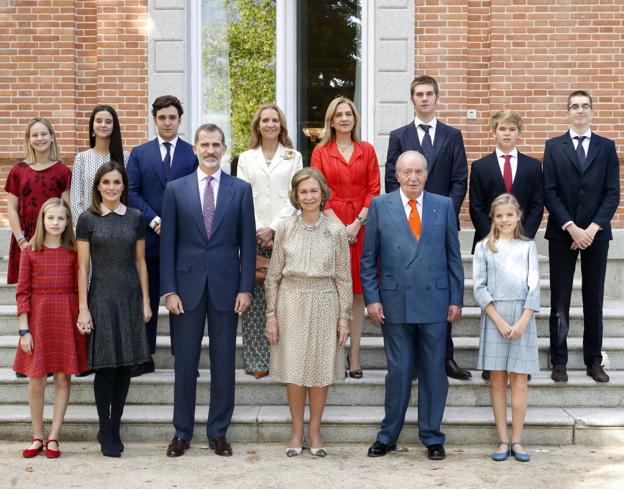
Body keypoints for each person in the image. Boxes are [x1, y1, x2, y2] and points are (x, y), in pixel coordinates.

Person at [160, 123, 255, 458]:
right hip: (184, 291)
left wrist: (246, 288)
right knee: (185, 362)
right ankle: (182, 432)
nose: (211, 150)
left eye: (216, 144)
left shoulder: (241, 190)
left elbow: (247, 242)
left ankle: (218, 432)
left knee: (224, 361)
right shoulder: (175, 189)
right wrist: (168, 290)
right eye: (205, 144)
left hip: (227, 289)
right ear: (195, 149)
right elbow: (168, 244)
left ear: (225, 148)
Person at [361, 150, 463, 460]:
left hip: (435, 299)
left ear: (427, 174)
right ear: (397, 175)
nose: (413, 177)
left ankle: (432, 436)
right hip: (394, 303)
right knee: (399, 371)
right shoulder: (380, 205)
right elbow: (368, 260)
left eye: (419, 171)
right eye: (407, 172)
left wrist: (456, 298)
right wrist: (373, 298)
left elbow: (452, 256)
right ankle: (388, 435)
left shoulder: (443, 205)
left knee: (434, 371)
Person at [384, 75, 469, 380]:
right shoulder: (399, 135)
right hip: (407, 227)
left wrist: (444, 214)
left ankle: (445, 358)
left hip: (441, 226)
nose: (424, 98)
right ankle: (415, 362)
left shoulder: (452, 135)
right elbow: (391, 180)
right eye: (419, 94)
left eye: (429, 94)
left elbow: (460, 178)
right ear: (412, 99)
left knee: (442, 288)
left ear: (436, 98)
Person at [265, 167, 352, 457]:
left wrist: (344, 318)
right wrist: (271, 316)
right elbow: (273, 275)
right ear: (296, 196)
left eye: (314, 190)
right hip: (291, 301)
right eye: (303, 192)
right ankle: (296, 431)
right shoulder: (286, 228)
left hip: (325, 301)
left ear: (323, 193)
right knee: (294, 370)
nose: (309, 196)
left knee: (319, 369)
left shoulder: (336, 229)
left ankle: (314, 430)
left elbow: (343, 277)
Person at [76, 161, 152, 458]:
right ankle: (104, 426)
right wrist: (83, 308)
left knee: (124, 367)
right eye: (106, 182)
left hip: (130, 296)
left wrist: (146, 300)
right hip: (101, 298)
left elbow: (140, 262)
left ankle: (115, 425)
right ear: (98, 186)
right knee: (106, 366)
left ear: (124, 186)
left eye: (116, 182)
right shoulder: (87, 219)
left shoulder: (135, 217)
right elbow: (83, 267)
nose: (111, 187)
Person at [543, 90, 620, 383]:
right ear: (567, 111)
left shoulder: (606, 146)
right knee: (560, 299)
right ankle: (559, 360)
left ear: (591, 111)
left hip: (596, 235)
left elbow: (612, 193)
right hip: (563, 234)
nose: (580, 111)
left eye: (585, 106)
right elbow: (549, 191)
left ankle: (593, 360)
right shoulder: (553, 146)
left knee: (594, 300)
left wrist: (591, 229)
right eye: (574, 106)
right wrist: (571, 226)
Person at [469, 110, 544, 381]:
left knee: (520, 300)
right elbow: (476, 205)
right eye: (502, 128)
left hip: (520, 245)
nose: (507, 133)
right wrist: (491, 237)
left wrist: (524, 236)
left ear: (518, 132)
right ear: (494, 132)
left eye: (512, 129)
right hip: (492, 246)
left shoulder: (533, 166)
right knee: (492, 303)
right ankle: (493, 363)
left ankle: (520, 363)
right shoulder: (480, 166)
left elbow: (537, 204)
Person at [126, 95, 198, 374]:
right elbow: (131, 192)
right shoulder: (140, 153)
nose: (167, 122)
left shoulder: (192, 153)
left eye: (172, 117)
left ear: (180, 120)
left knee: (183, 299)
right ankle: (144, 355)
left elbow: (197, 189)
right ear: (154, 120)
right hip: (149, 237)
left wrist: (176, 222)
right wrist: (156, 220)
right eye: (162, 117)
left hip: (183, 239)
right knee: (148, 293)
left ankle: (186, 358)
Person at [311, 97, 380, 379]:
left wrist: (356, 224)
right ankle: (333, 352)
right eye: (338, 114)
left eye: (348, 113)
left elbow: (374, 189)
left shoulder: (367, 150)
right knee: (332, 290)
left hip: (362, 225)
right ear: (331, 120)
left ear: (355, 118)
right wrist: (340, 225)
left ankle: (354, 355)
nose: (343, 118)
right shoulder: (320, 152)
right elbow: (317, 188)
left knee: (356, 294)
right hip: (330, 224)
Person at [14, 198, 88, 459]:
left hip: (66, 314)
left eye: (61, 218)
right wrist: (24, 329)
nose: (56, 223)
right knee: (36, 380)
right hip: (38, 318)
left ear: (68, 221)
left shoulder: (73, 250)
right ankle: (37, 435)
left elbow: (81, 286)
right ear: (42, 220)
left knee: (62, 378)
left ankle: (54, 436)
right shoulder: (30, 251)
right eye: (51, 218)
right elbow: (22, 292)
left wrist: (82, 313)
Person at [237, 103, 302, 379]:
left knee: (284, 299)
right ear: (258, 125)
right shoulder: (245, 157)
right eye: (265, 120)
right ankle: (256, 362)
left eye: (275, 120)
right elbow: (240, 194)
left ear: (281, 125)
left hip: (284, 233)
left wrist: (273, 228)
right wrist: (257, 228)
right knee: (255, 300)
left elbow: (296, 195)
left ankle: (282, 360)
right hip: (251, 234)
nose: (270, 124)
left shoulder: (293, 156)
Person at [473, 194, 540, 462]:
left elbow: (534, 284)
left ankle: (517, 440)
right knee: (498, 379)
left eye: (509, 215)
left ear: (518, 216)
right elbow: (479, 287)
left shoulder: (528, 247)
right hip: (495, 317)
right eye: (499, 215)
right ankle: (502, 439)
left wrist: (523, 320)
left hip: (522, 316)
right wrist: (499, 320)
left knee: (519, 380)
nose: (504, 220)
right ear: (493, 218)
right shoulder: (483, 247)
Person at [5, 117, 71, 284]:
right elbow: (12, 208)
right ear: (29, 139)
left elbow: (66, 208)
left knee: (50, 287)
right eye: (35, 135)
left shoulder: (62, 171)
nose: (40, 138)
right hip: (25, 239)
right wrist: (21, 240)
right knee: (26, 291)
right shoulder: (18, 171)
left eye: (43, 134)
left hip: (54, 238)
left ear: (52, 137)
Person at [70, 105, 129, 220]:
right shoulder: (82, 158)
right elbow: (75, 202)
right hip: (90, 226)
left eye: (108, 122)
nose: (103, 125)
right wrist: (86, 226)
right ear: (92, 125)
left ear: (114, 126)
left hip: (119, 225)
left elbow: (128, 195)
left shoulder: (125, 157)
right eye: (98, 121)